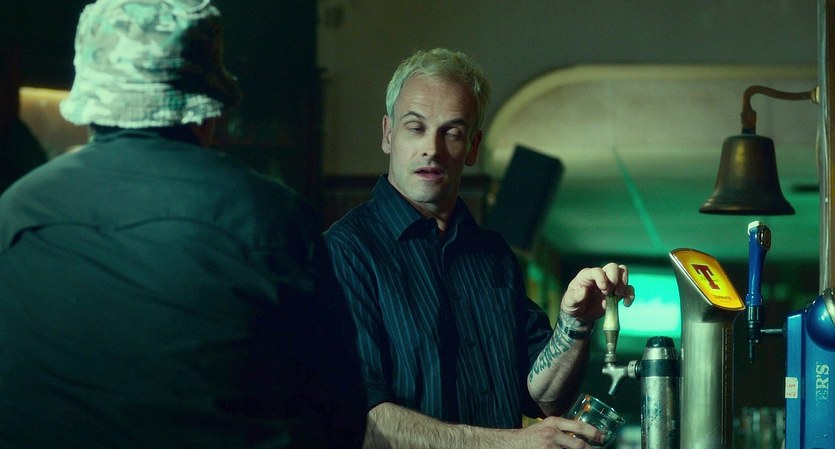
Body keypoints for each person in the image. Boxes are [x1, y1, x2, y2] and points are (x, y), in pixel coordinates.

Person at [0, 1, 365, 448]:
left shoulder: (15, 210)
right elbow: (341, 412)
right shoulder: (274, 216)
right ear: (207, 110)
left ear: (90, 104)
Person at [324, 48, 635, 449]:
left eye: (452, 133)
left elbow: (544, 397)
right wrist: (511, 444)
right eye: (415, 128)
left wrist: (574, 324)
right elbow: (361, 422)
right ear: (388, 134)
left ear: (472, 147)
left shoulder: (493, 256)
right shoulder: (345, 252)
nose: (432, 149)